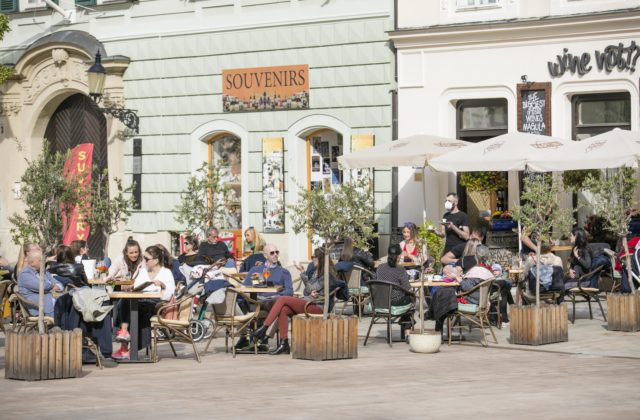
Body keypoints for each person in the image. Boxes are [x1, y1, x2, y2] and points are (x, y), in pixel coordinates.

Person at [251, 248, 336, 355]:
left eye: (314, 257)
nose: (312, 259)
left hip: (318, 307)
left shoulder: (327, 274)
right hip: (310, 301)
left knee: (282, 299)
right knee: (284, 309)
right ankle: (284, 343)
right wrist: (310, 291)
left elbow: (309, 289)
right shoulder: (317, 272)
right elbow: (308, 290)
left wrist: (303, 274)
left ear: (321, 259)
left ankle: (264, 328)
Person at [112, 245, 176, 360]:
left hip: (157, 304)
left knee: (134, 309)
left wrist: (162, 285)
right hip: (141, 300)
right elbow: (136, 287)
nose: (144, 261)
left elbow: (168, 295)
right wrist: (130, 288)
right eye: (144, 258)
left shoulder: (166, 273)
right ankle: (124, 333)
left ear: (156, 261)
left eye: (146, 259)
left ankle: (127, 346)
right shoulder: (143, 271)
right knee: (125, 301)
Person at [375, 244, 415, 334]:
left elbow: (376, 282)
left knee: (408, 300)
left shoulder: (380, 267)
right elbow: (407, 288)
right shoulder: (400, 269)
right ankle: (407, 330)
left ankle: (406, 324)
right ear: (399, 256)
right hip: (394, 303)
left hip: (381, 302)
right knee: (410, 299)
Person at [17, 251, 61, 317]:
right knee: (59, 301)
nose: (43, 262)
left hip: (46, 298)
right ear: (32, 263)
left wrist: (56, 286)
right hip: (37, 305)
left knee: (69, 297)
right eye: (40, 260)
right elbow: (42, 287)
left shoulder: (42, 271)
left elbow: (58, 283)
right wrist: (52, 285)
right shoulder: (25, 274)